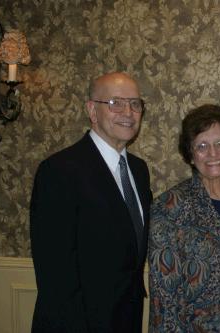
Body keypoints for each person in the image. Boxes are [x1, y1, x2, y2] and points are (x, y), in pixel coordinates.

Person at [30, 72, 152, 333]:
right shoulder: (59, 171)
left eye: (135, 104)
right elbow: (55, 276)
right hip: (76, 324)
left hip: (126, 320)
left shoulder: (139, 171)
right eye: (115, 103)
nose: (128, 112)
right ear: (92, 111)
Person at [148, 104, 220, 332]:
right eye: (202, 146)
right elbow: (164, 299)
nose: (213, 154)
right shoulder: (170, 207)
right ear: (191, 155)